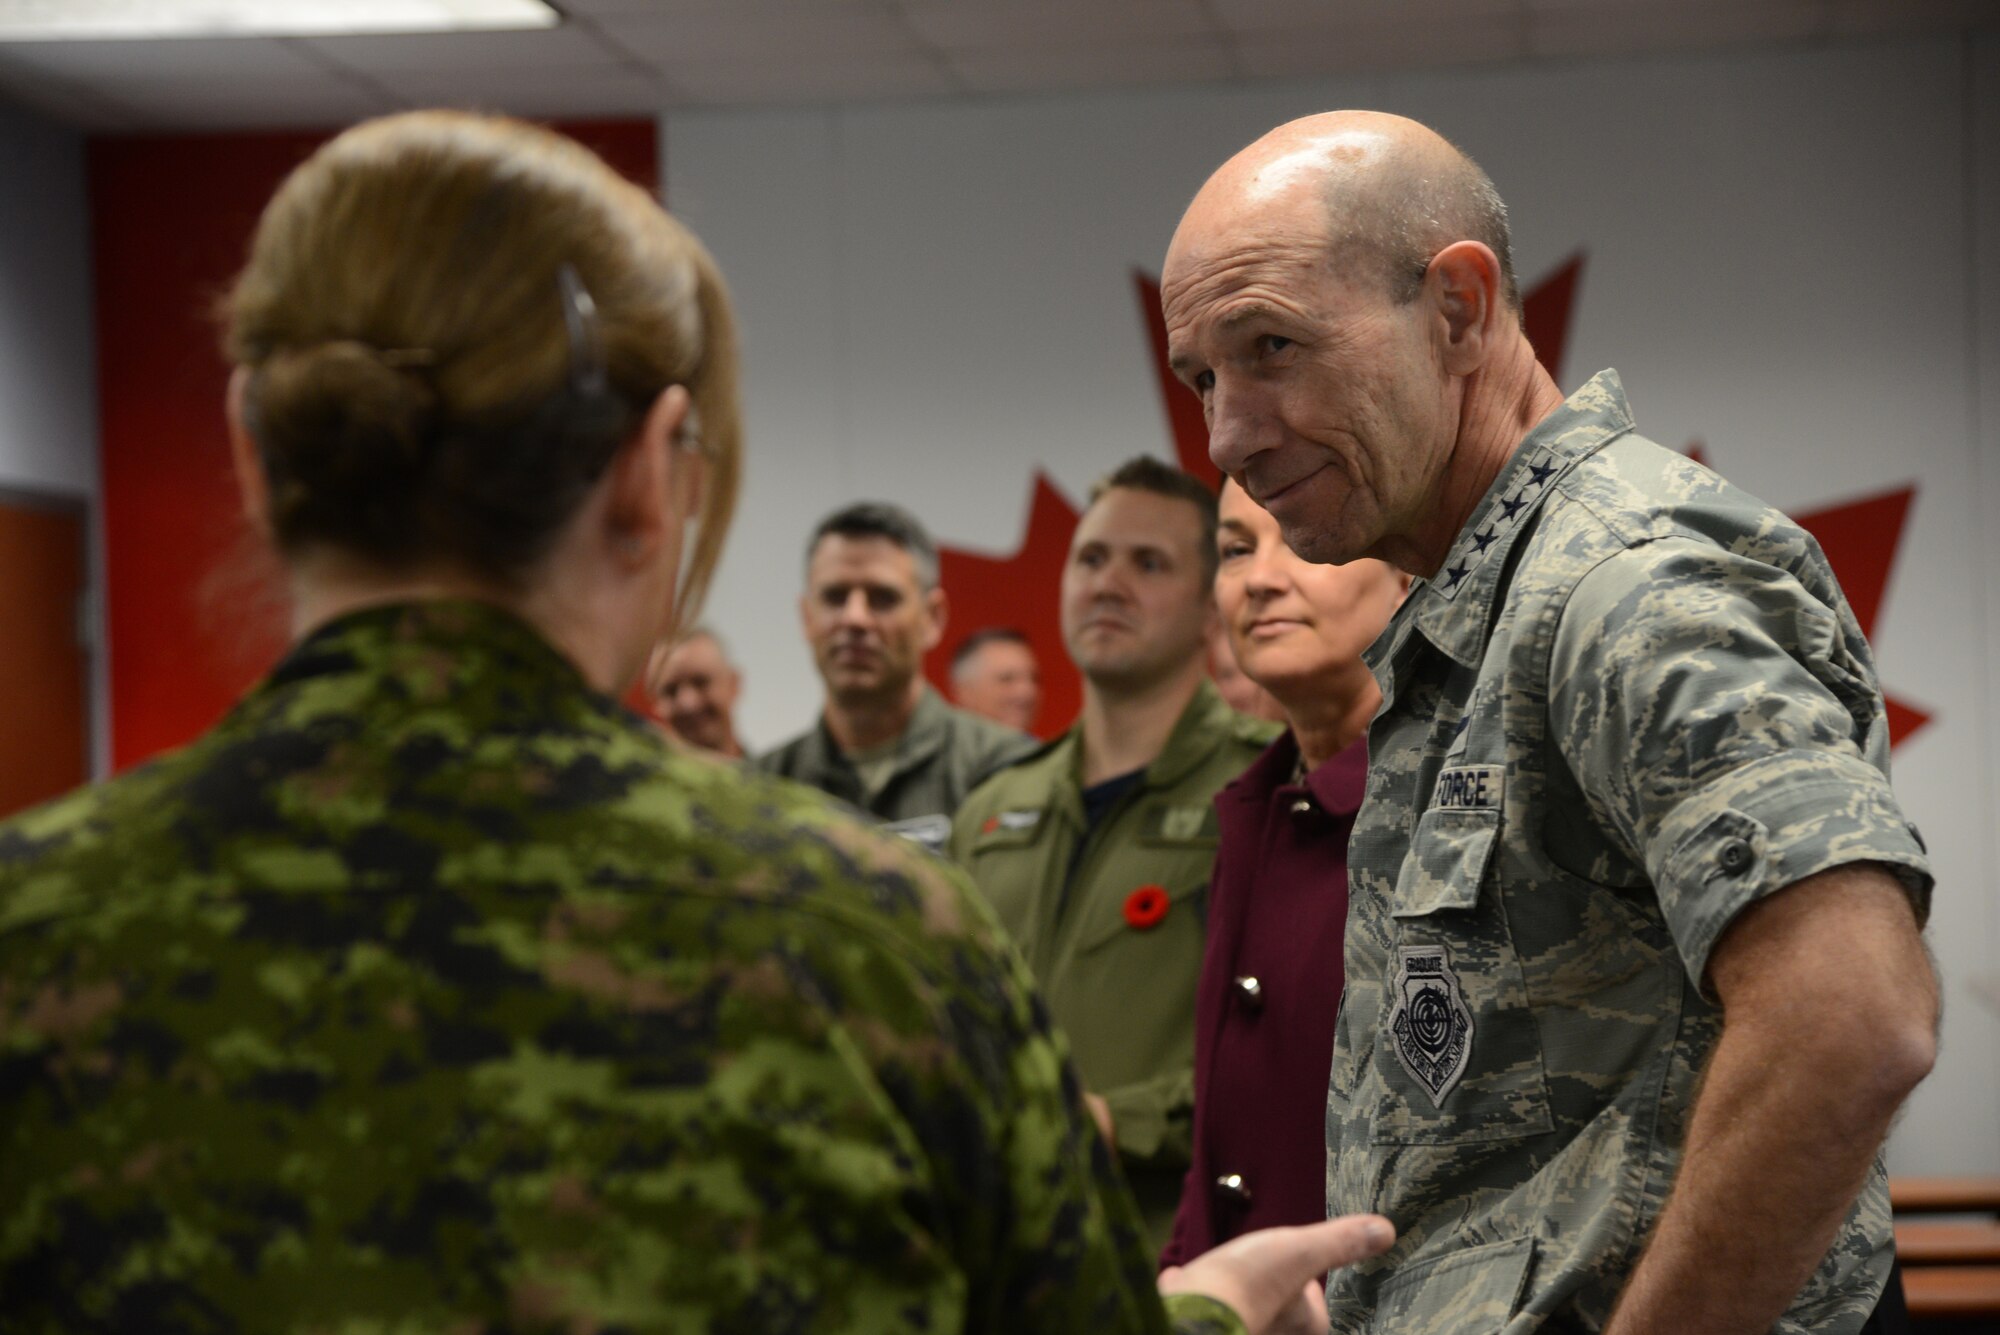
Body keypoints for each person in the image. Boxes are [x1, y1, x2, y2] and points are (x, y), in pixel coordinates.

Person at [0, 109, 1396, 1334]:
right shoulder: (863, 944)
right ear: (647, 477)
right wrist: (1207, 1311)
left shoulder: (36, 929)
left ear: (251, 444)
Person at [1162, 109, 1936, 1334]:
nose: (1228, 435)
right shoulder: (1485, 605)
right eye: (1203, 375)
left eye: (1270, 347)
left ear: (1458, 311)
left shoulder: (1625, 581)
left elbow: (1851, 1017)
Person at [950, 456, 1279, 1247]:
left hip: (1167, 1250)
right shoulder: (994, 808)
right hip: (998, 1254)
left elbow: (1296, 1049)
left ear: (1210, 605)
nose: (1109, 582)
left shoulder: (1267, 785)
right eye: (1091, 557)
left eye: (1149, 562)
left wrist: (1112, 1122)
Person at [1160, 479, 1408, 1268]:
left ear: (1408, 569)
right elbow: (1219, 1157)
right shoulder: (1257, 808)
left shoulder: (1446, 804)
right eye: (1236, 548)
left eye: (1300, 534)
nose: (1261, 576)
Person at [758, 502, 1034, 852]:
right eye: (835, 597)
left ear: (932, 618)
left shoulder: (1004, 770)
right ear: (806, 617)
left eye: (882, 598)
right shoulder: (761, 787)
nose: (855, 618)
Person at [646, 624, 745, 757]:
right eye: (671, 690)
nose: (688, 704)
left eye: (700, 682)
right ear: (655, 704)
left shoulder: (773, 774)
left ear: (733, 685)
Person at [949, 625, 1043, 733]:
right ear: (964, 691)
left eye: (1034, 679)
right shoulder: (936, 748)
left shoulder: (1047, 748)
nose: (1027, 691)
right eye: (1007, 679)